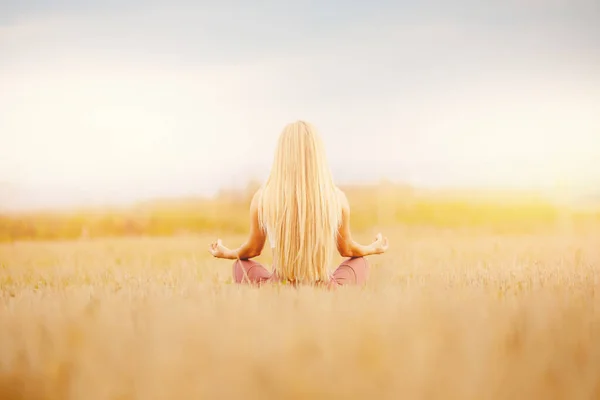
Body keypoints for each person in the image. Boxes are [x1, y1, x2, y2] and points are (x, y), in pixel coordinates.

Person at [208, 120, 389, 288]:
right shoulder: (336, 198)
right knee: (360, 263)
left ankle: (277, 292)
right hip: (325, 286)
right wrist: (373, 248)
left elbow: (253, 249)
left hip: (278, 285)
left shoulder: (263, 198)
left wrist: (228, 253)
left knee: (241, 266)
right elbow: (347, 249)